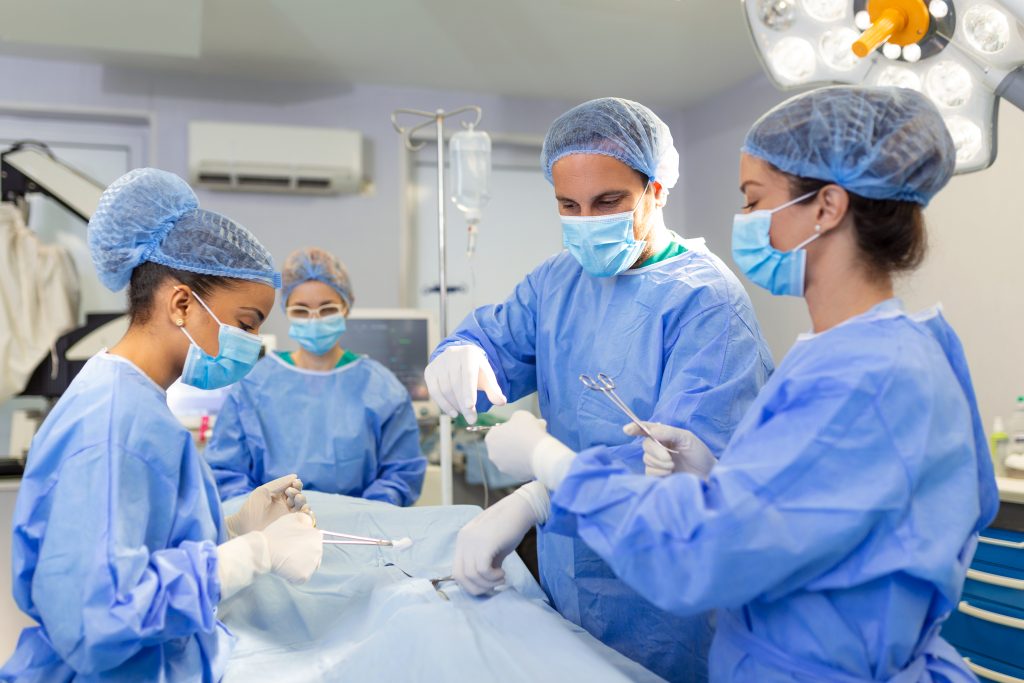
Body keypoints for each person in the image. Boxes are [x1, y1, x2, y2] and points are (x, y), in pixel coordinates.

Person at [469, 86, 1000, 682]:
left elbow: (706, 552)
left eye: (753, 201)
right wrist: (714, 478)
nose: (743, 224)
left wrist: (549, 469)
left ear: (826, 207)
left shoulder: (867, 377)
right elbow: (799, 521)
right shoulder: (862, 353)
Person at [427, 97, 774, 681]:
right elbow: (494, 338)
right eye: (568, 205)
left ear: (657, 189)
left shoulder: (707, 303)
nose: (586, 221)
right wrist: (461, 352)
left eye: (608, 202)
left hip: (665, 601)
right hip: (569, 577)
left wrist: (536, 496)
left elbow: (680, 466)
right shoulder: (558, 280)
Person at [1, 169, 323, 682]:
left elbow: (138, 541)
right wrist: (251, 555)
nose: (253, 344)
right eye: (245, 324)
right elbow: (97, 616)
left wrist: (234, 528)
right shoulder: (112, 425)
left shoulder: (135, 401)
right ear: (180, 304)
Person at [205, 247, 426, 507]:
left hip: (360, 532)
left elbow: (401, 474)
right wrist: (265, 513)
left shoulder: (382, 388)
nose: (314, 320)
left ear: (347, 306)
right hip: (272, 533)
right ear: (286, 311)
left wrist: (362, 515)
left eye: (327, 309)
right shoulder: (254, 384)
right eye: (301, 310)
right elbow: (227, 472)